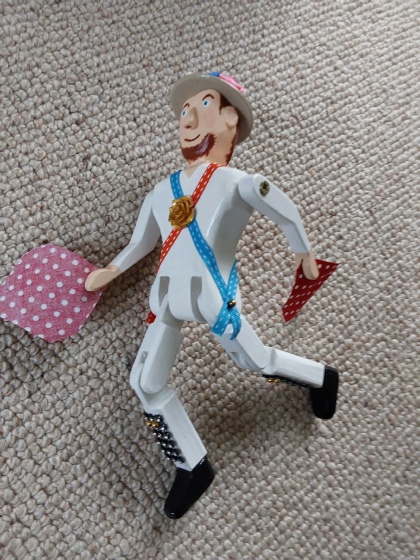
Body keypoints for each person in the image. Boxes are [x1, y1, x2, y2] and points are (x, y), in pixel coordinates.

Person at [85, 72, 339, 519]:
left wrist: (303, 253)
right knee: (145, 382)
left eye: (201, 106)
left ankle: (320, 376)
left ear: (229, 119)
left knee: (253, 361)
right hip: (166, 296)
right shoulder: (162, 191)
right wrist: (111, 271)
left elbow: (283, 210)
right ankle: (193, 464)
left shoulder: (237, 183)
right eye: (184, 111)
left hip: (213, 295)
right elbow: (140, 242)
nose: (187, 119)